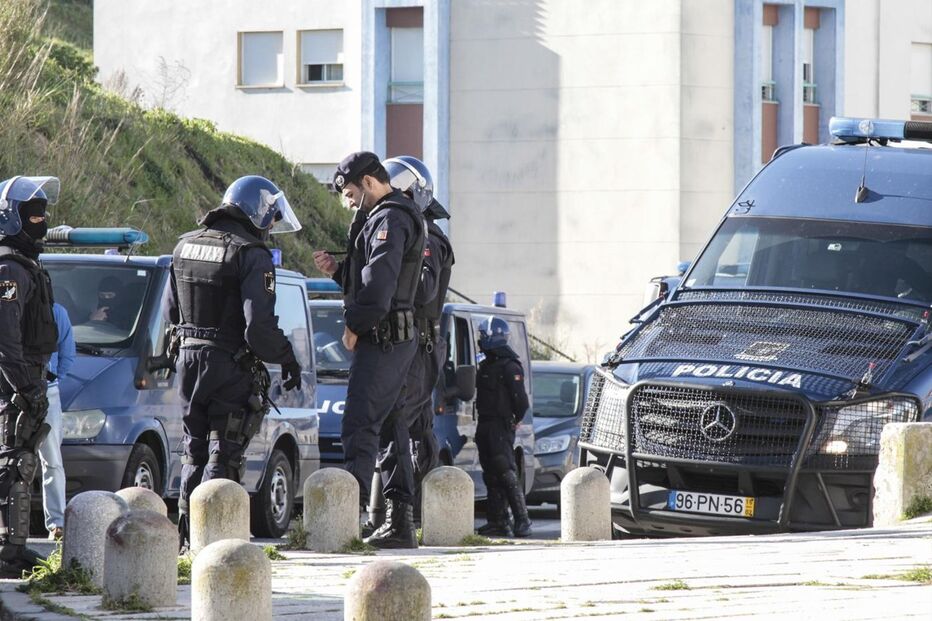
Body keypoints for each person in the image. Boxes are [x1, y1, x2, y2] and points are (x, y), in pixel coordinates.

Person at [165, 175, 304, 549]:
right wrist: (287, 358)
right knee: (224, 450)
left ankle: (186, 537)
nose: (271, 228)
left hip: (187, 361)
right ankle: (214, 542)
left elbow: (171, 313)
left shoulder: (184, 246)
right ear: (258, 212)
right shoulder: (252, 255)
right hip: (229, 362)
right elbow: (258, 328)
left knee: (193, 448)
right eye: (271, 220)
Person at [312, 151, 426, 549]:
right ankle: (399, 522)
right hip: (393, 338)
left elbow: (378, 291)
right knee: (392, 429)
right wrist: (338, 272)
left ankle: (345, 522)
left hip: (383, 339)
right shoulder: (386, 216)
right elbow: (370, 278)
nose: (347, 202)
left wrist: (354, 327)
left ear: (369, 182)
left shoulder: (389, 218)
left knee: (359, 426)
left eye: (349, 193)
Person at [363, 156, 454, 530]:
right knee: (412, 429)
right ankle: (402, 516)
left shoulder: (426, 235)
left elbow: (424, 288)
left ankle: (401, 517)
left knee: (397, 424)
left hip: (418, 345)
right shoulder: (410, 228)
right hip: (408, 344)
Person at [0, 176, 60, 577]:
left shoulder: (27, 265)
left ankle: (14, 547)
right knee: (13, 463)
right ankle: (8, 552)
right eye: (32, 215)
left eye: (43, 214)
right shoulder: (9, 268)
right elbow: (5, 338)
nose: (41, 222)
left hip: (28, 378)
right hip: (13, 383)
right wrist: (24, 386)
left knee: (22, 462)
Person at [475, 316, 532, 538]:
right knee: (491, 474)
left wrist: (514, 420)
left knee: (506, 470)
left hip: (500, 426)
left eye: (483, 335)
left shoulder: (510, 366)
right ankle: (498, 521)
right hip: (485, 424)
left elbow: (521, 402)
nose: (480, 339)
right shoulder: (486, 365)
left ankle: (522, 520)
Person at [37, 302, 75, 540]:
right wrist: (53, 380)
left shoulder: (9, 306)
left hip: (11, 391)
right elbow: (68, 355)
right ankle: (57, 524)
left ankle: (7, 523)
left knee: (10, 459)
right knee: (52, 461)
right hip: (47, 389)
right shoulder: (56, 311)